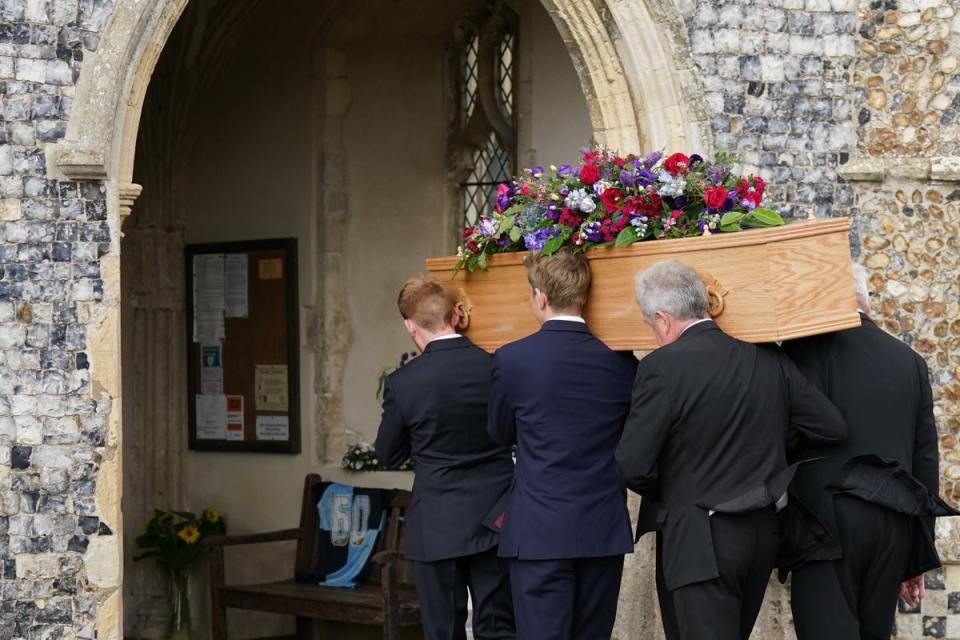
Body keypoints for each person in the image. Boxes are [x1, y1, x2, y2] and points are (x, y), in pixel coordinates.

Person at [615, 259, 847, 640]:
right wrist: (772, 446)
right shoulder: (768, 358)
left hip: (700, 539)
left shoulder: (662, 367)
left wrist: (678, 493)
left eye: (649, 325)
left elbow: (632, 465)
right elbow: (831, 426)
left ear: (663, 318)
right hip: (760, 535)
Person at [781, 263, 955, 640]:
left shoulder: (800, 350)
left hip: (825, 524)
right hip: (893, 524)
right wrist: (917, 555)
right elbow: (925, 460)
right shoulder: (908, 360)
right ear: (866, 303)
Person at [485, 247, 636, 640]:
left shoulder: (512, 359)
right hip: (601, 528)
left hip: (539, 529)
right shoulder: (621, 363)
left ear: (541, 296)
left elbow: (499, 434)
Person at [374, 274, 515, 640]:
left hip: (437, 520)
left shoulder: (404, 383)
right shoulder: (498, 367)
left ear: (410, 326)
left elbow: (388, 454)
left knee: (442, 630)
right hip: (497, 516)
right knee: (499, 627)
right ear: (455, 315)